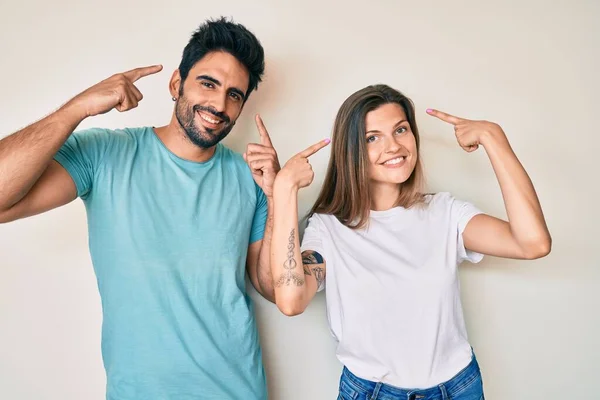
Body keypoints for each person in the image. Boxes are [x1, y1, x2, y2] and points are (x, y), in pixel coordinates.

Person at [0, 17, 280, 400]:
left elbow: (272, 287)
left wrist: (278, 196)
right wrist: (76, 110)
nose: (219, 104)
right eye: (208, 83)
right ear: (176, 84)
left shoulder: (251, 178)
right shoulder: (104, 154)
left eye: (235, 94)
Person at [270, 84, 551, 399]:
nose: (393, 146)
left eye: (400, 130)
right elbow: (291, 301)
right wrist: (284, 191)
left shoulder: (445, 213)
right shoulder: (329, 228)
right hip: (372, 391)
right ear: (352, 150)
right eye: (372, 138)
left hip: (458, 388)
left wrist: (494, 139)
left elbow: (533, 244)